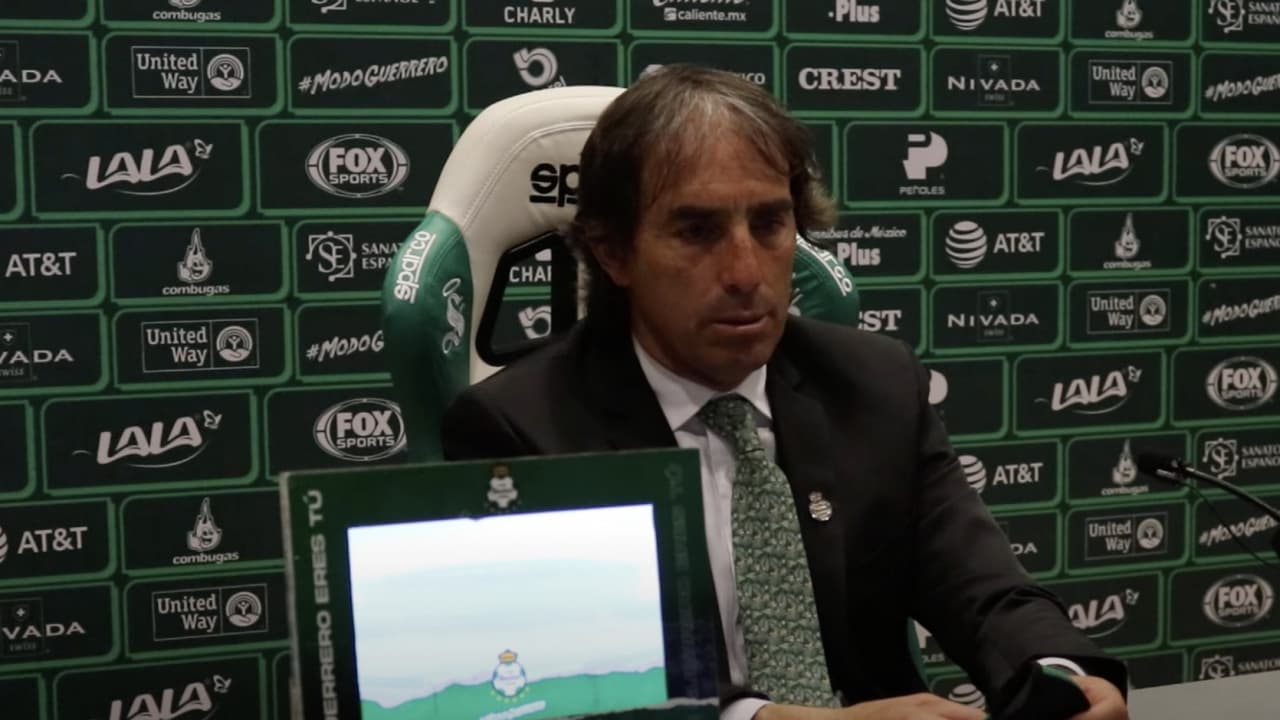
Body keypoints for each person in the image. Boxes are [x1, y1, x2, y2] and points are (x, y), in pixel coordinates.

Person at [442, 66, 1128, 720]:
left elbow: (987, 593)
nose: (745, 272)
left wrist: (1058, 675)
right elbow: (566, 686)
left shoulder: (876, 385)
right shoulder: (524, 433)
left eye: (770, 225)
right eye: (697, 231)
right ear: (614, 252)